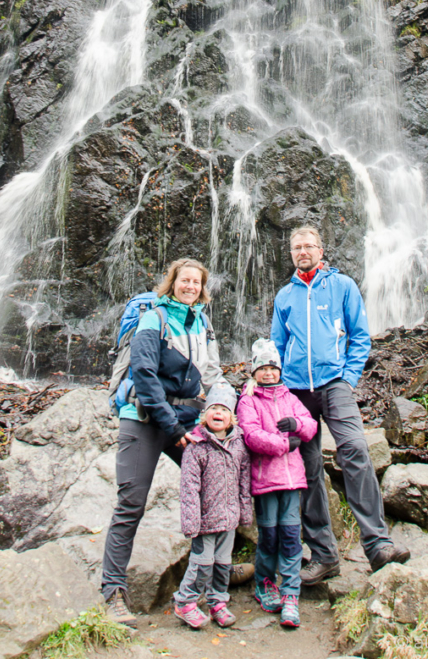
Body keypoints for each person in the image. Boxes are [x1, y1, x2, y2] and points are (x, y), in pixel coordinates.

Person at [271, 226, 410, 582]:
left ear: (321, 248)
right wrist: (281, 390)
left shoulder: (342, 286)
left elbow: (360, 337)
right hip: (297, 392)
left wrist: (348, 378)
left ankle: (377, 544)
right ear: (291, 253)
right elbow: (276, 347)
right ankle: (324, 555)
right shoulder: (284, 296)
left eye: (308, 246)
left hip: (336, 384)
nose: (303, 251)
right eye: (297, 247)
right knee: (308, 467)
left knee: (355, 452)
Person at [102, 258, 223, 625]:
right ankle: (112, 592)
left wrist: (231, 405)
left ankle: (212, 573)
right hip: (143, 420)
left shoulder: (202, 322)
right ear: (172, 283)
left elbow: (212, 375)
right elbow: (143, 373)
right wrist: (173, 426)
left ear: (203, 288)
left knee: (213, 489)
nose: (190, 286)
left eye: (196, 282)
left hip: (183, 421)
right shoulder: (153, 317)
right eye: (184, 280)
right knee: (131, 503)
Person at [237, 338, 317, 629]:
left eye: (273, 367)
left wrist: (297, 426)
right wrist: (286, 442)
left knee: (292, 538)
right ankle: (265, 583)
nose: (269, 373)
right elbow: (252, 436)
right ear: (254, 372)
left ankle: (291, 594)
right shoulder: (248, 401)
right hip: (265, 481)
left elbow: (310, 425)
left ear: (280, 370)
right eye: (263, 368)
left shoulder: (290, 398)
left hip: (292, 480)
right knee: (269, 537)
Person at [174, 382, 252, 629]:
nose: (218, 413)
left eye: (224, 409)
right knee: (201, 564)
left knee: (222, 563)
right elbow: (189, 489)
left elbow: (244, 482)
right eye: (213, 408)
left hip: (229, 519)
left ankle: (217, 601)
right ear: (204, 415)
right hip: (205, 521)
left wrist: (245, 513)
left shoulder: (239, 445)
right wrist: (191, 522)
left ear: (233, 419)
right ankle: (185, 602)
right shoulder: (196, 448)